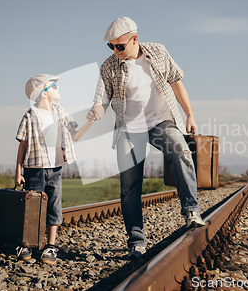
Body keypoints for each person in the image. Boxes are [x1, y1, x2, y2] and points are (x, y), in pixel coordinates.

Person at [87, 17, 205, 260]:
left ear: (135, 39)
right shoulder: (109, 67)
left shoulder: (158, 52)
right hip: (129, 129)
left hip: (161, 122)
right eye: (111, 47)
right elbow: (101, 98)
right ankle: (136, 242)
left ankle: (191, 211)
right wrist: (98, 108)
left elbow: (177, 84)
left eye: (120, 46)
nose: (116, 51)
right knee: (130, 187)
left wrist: (190, 115)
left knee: (181, 150)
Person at [15, 74, 94, 264]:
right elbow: (23, 145)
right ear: (43, 93)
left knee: (54, 207)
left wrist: (90, 122)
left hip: (56, 169)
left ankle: (50, 246)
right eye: (54, 87)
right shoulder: (30, 115)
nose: (58, 89)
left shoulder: (61, 112)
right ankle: (27, 244)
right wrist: (18, 171)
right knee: (32, 208)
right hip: (34, 168)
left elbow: (75, 136)